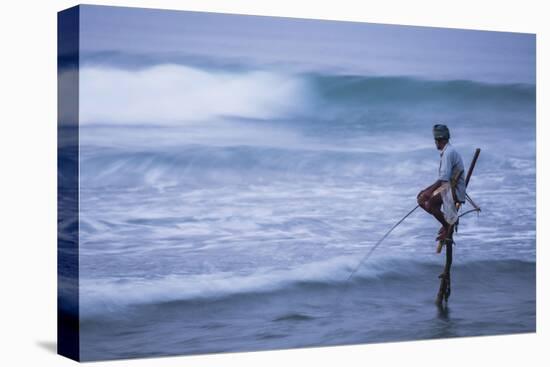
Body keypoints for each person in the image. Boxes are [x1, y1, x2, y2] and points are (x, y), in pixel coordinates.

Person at [417, 124, 466, 241]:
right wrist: (427, 190)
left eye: (435, 140)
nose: (435, 143)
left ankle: (447, 226)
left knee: (429, 202)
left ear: (440, 140)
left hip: (455, 190)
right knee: (421, 197)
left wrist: (429, 192)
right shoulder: (448, 151)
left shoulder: (448, 153)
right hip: (449, 187)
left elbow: (443, 178)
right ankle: (447, 222)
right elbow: (443, 178)